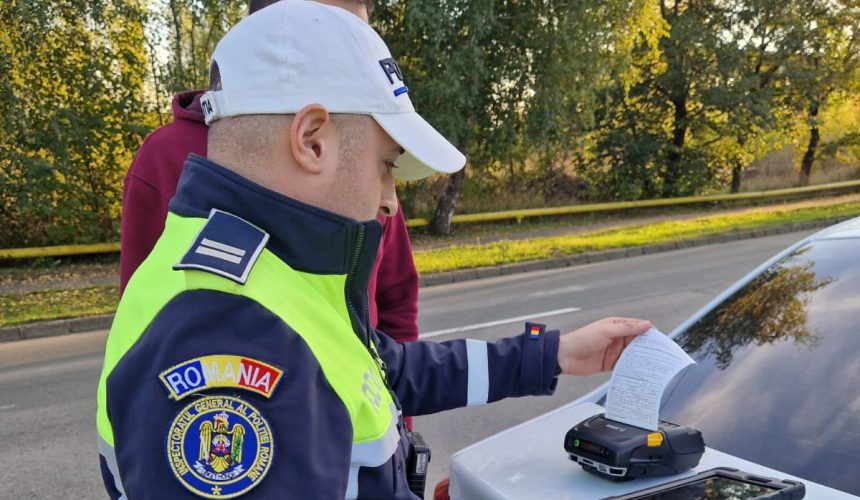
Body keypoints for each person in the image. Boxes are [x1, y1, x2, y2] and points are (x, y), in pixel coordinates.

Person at [96, 2, 652, 498]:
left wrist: (553, 355)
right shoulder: (228, 329)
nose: (390, 201)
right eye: (387, 166)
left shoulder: (269, 269)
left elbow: (385, 369)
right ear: (312, 140)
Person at [119, 0, 418, 347]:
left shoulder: (362, 161)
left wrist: (392, 392)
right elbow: (142, 318)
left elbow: (396, 299)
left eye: (363, 36)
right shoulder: (165, 157)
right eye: (328, 30)